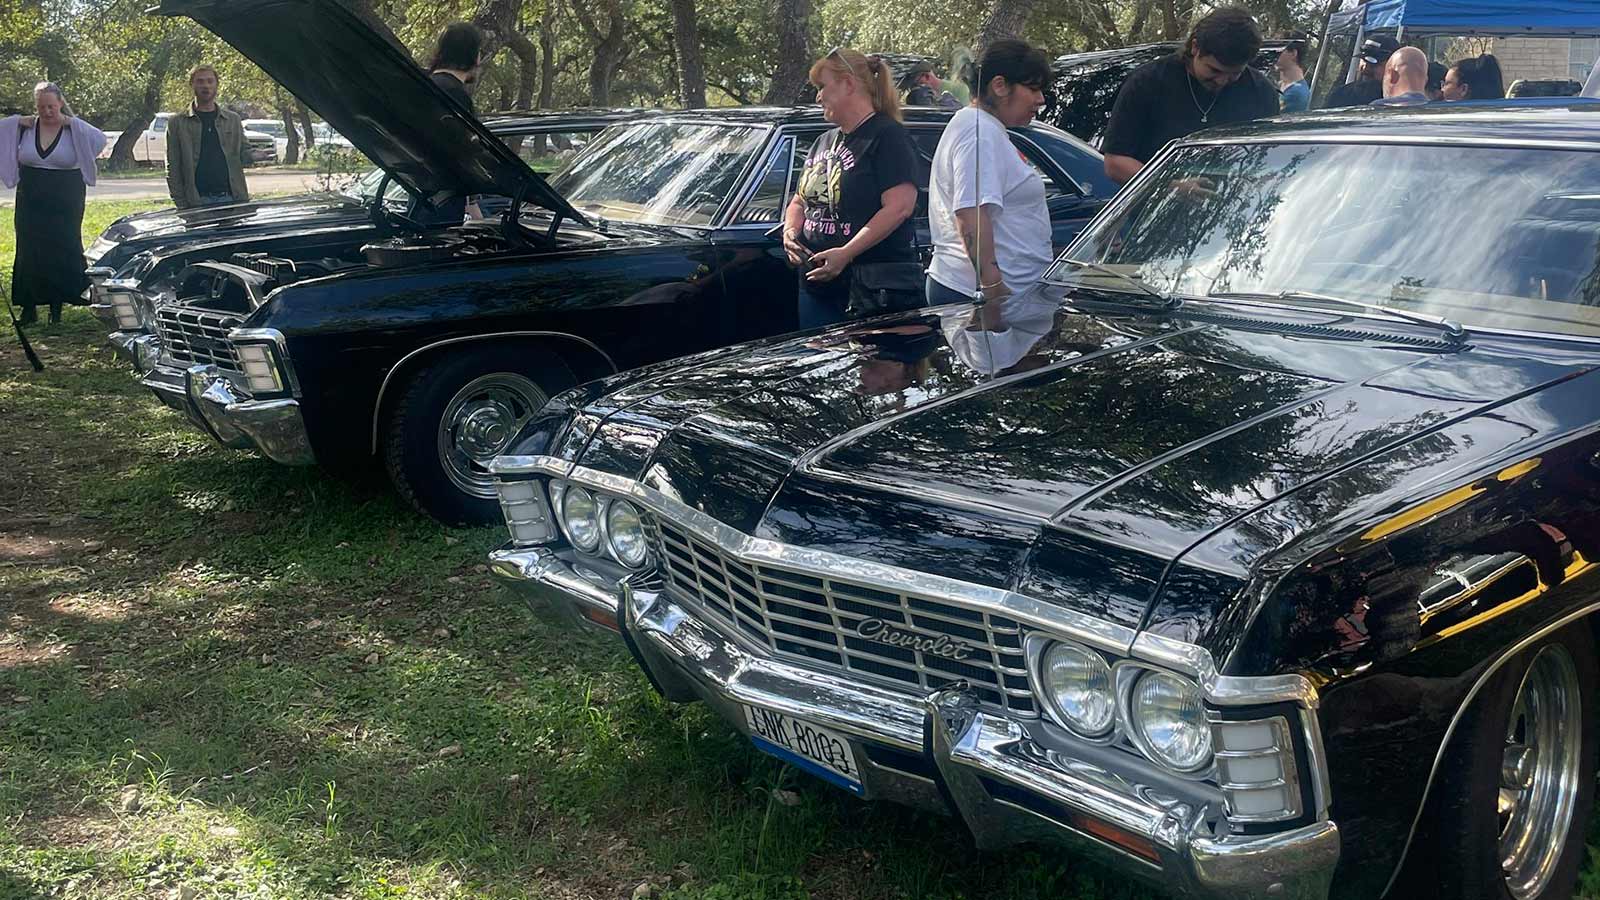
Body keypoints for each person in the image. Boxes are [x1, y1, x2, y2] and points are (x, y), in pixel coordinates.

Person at [781, 48, 919, 329]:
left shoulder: (887, 135)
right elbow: (799, 200)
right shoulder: (824, 140)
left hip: (869, 290)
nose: (818, 96)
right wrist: (790, 232)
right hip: (816, 287)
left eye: (823, 87)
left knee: (869, 371)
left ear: (848, 84)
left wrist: (846, 253)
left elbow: (899, 207)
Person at [926, 38, 1054, 329]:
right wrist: (992, 286)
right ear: (999, 85)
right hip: (981, 298)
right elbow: (970, 214)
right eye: (1033, 88)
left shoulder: (982, 128)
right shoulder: (978, 132)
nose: (1040, 99)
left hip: (987, 294)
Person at [1100, 7, 1278, 185]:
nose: (1222, 81)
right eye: (1214, 70)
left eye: (1234, 74)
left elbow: (1270, 162)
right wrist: (1170, 186)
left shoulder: (1261, 92)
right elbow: (1115, 162)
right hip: (1155, 207)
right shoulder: (1147, 83)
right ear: (1195, 47)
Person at [1, 82, 107, 325]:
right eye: (41, 107)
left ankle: (56, 306)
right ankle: (28, 307)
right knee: (29, 248)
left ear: (60, 103)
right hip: (31, 193)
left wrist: (73, 123)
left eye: (51, 106)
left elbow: (99, 140)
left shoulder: (75, 129)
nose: (47, 111)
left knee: (62, 245)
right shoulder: (27, 127)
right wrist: (17, 121)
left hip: (65, 194)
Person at [166, 65, 250, 209]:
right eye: (200, 81)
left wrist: (256, 155)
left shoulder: (232, 119)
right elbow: (172, 167)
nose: (206, 86)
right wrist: (181, 202)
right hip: (196, 202)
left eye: (210, 81)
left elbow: (244, 154)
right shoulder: (178, 122)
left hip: (232, 199)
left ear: (217, 85)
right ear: (191, 84)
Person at [426, 22, 484, 224]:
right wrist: (473, 207)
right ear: (474, 56)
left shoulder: (426, 84)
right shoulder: (455, 95)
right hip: (445, 206)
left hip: (422, 200)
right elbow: (461, 154)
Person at [1323, 34, 1398, 108]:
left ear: (1392, 67)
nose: (1365, 68)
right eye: (1363, 60)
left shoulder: (1398, 102)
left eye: (1374, 64)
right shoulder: (1340, 95)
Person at [1276, 33, 1312, 112]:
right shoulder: (1281, 85)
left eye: (1279, 50)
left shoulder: (1296, 93)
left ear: (1293, 53)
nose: (1274, 54)